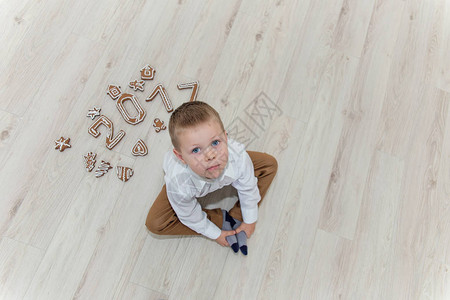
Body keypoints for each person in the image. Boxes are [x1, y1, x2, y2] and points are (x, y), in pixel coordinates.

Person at [145, 101, 277, 255]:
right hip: (186, 181)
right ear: (180, 157)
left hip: (230, 163)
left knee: (269, 164)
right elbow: (189, 215)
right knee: (155, 223)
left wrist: (250, 220)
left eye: (215, 142)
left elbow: (248, 188)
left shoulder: (238, 157)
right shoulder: (179, 183)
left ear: (226, 139)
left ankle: (237, 215)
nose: (210, 155)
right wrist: (215, 233)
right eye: (196, 150)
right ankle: (222, 220)